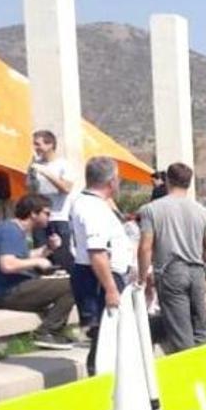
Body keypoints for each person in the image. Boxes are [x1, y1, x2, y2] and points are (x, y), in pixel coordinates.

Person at [136, 162, 206, 357]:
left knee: (181, 333)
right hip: (197, 271)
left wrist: (142, 278)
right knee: (200, 330)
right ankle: (202, 377)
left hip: (170, 271)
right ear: (189, 183)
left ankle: (189, 380)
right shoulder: (203, 211)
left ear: (167, 181)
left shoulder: (151, 209)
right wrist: (200, 259)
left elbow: (145, 247)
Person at [69, 156, 131, 376]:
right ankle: (100, 381)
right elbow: (97, 252)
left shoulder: (93, 204)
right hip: (98, 279)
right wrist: (111, 289)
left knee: (110, 337)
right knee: (104, 337)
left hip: (101, 276)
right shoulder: (92, 208)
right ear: (111, 181)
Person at [0, 194, 75, 349]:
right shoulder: (10, 231)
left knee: (65, 282)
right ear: (33, 213)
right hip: (9, 292)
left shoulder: (13, 229)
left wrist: (48, 248)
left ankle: (52, 330)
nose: (50, 217)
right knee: (74, 283)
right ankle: (47, 332)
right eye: (47, 213)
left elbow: (23, 257)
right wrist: (38, 262)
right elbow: (7, 264)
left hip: (14, 289)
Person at [27, 130, 75, 270]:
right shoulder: (35, 166)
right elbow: (31, 190)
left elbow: (66, 188)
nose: (35, 148)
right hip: (39, 220)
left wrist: (46, 172)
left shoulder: (63, 165)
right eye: (34, 144)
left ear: (50, 144)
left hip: (58, 218)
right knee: (42, 261)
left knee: (62, 260)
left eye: (38, 144)